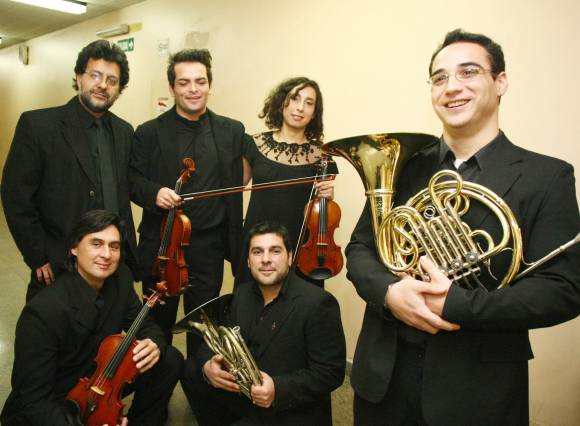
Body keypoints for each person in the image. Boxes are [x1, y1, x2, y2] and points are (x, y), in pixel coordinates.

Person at [345, 29, 580, 426]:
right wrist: (389, 292)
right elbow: (360, 249)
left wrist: (455, 303)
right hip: (383, 380)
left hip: (478, 390)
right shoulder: (402, 163)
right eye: (439, 78)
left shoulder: (547, 176)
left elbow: (563, 289)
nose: (451, 86)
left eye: (468, 72)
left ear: (500, 82)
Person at [0, 210, 184, 426]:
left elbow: (145, 325)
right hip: (54, 403)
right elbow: (34, 401)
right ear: (74, 248)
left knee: (169, 360)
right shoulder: (42, 312)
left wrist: (153, 343)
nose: (107, 254)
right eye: (96, 244)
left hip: (100, 381)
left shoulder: (121, 279)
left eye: (114, 246)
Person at [129, 49, 247, 356]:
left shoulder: (232, 130)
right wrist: (154, 192)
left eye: (200, 81)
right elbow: (131, 179)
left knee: (204, 330)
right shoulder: (149, 132)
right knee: (156, 328)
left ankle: (200, 382)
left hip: (209, 248)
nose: (193, 89)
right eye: (184, 83)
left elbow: (265, 159)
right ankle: (157, 382)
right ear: (172, 88)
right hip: (163, 248)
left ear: (210, 85)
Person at [1, 40, 138, 302]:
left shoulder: (124, 132)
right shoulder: (39, 126)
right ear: (78, 76)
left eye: (112, 80)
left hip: (112, 264)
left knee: (112, 328)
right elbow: (16, 196)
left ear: (119, 88)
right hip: (59, 264)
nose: (103, 85)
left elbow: (130, 185)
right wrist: (37, 255)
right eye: (95, 75)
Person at [181, 221, 346, 425]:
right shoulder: (242, 294)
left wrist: (278, 389)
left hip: (287, 408)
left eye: (275, 251)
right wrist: (208, 366)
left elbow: (330, 372)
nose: (266, 259)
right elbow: (218, 339)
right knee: (191, 370)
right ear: (248, 261)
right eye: (257, 252)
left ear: (290, 257)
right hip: (246, 397)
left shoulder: (318, 303)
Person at [236, 77, 337, 286]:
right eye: (295, 99)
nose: (300, 108)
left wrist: (328, 196)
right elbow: (235, 189)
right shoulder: (253, 143)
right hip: (258, 243)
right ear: (282, 102)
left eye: (309, 103)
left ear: (314, 113)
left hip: (302, 249)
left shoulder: (323, 155)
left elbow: (323, 211)